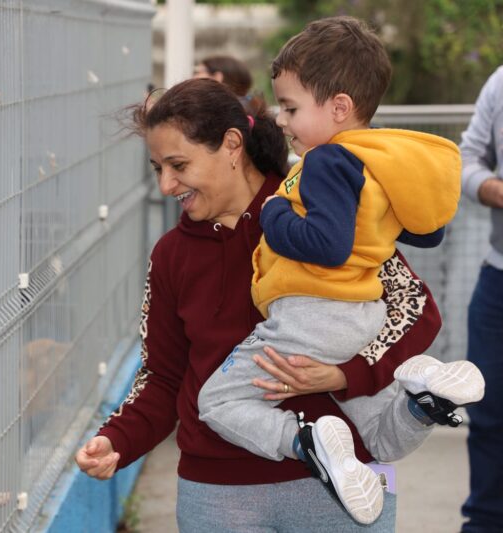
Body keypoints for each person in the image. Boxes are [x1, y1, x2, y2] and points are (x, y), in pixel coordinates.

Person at [75, 77, 443, 532]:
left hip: (348, 486)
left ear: (232, 145)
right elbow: (163, 375)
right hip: (216, 491)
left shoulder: (315, 210)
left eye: (178, 165)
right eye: (157, 169)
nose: (167, 185)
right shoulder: (170, 255)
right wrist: (118, 439)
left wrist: (347, 374)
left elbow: (414, 308)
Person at [197, 16, 484, 525]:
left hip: (311, 317)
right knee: (381, 438)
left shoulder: (328, 161)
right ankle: (423, 399)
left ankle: (305, 440)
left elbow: (327, 247)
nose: (282, 120)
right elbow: (427, 234)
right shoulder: (375, 162)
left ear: (338, 108)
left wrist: (274, 213)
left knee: (217, 402)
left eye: (291, 108)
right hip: (360, 317)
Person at [458, 65, 503, 533]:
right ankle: (485, 522)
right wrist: (494, 189)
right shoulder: (500, 82)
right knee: (487, 413)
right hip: (498, 278)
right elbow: (467, 160)